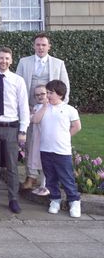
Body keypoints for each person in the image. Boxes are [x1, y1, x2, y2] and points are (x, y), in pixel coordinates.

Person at [16, 32, 70, 190]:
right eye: (38, 44)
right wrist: (24, 108)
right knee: (30, 143)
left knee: (48, 142)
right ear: (34, 46)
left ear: (49, 47)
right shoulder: (24, 62)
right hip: (31, 110)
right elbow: (18, 87)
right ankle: (31, 176)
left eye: (44, 45)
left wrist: (57, 109)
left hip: (51, 110)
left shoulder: (58, 64)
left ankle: (47, 178)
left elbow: (65, 88)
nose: (40, 47)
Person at [0, 47, 29, 214]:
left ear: (11, 61)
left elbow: (23, 106)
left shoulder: (18, 80)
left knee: (12, 165)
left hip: (11, 126)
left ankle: (13, 199)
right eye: (0, 58)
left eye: (6, 59)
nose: (3, 61)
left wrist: (23, 130)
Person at [31, 80, 81, 218]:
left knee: (66, 177)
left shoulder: (69, 110)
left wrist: (65, 137)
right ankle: (55, 199)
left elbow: (77, 126)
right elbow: (35, 120)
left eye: (50, 93)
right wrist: (45, 106)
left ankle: (74, 201)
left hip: (62, 151)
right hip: (46, 149)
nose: (47, 95)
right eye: (46, 93)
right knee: (50, 177)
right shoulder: (43, 108)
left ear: (60, 94)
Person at [28, 85, 50, 196]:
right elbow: (32, 120)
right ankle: (42, 185)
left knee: (46, 162)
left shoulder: (51, 106)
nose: (40, 96)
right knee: (40, 162)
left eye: (42, 94)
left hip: (48, 139)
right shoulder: (36, 107)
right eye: (37, 95)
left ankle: (46, 185)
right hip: (37, 139)